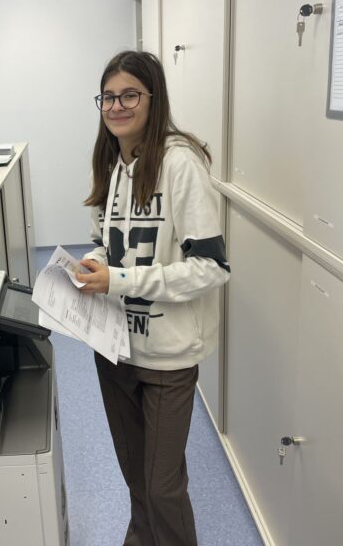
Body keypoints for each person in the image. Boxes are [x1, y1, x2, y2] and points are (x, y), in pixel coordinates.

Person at [75, 50, 231, 546]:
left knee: (162, 488)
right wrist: (93, 264)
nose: (116, 106)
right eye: (108, 97)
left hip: (167, 357)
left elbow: (211, 267)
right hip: (115, 348)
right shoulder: (109, 163)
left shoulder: (180, 164)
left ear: (153, 98)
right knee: (136, 480)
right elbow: (105, 240)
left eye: (129, 95)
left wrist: (119, 280)